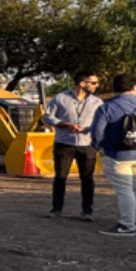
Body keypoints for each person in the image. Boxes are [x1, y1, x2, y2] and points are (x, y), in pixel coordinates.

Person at [90, 73, 136, 236]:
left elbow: (97, 132)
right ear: (135, 88)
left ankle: (126, 225)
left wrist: (99, 147)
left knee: (125, 190)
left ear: (114, 89)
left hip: (117, 155)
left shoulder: (106, 107)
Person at [43, 71, 103, 220]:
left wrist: (88, 130)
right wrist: (65, 124)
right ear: (82, 84)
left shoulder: (97, 102)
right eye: (93, 83)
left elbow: (101, 122)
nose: (97, 86)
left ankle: (87, 211)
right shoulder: (60, 98)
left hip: (87, 144)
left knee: (87, 178)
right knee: (61, 177)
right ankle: (56, 209)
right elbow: (47, 116)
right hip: (64, 143)